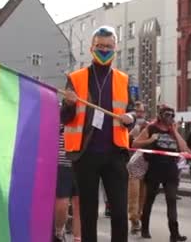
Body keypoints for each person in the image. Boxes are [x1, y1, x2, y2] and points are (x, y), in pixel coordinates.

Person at [60, 26, 135, 242]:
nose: (104, 50)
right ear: (92, 48)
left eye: (109, 47)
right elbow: (64, 117)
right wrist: (68, 104)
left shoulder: (124, 79)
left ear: (116, 49)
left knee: (120, 212)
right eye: (100, 46)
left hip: (115, 154)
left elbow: (132, 111)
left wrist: (131, 118)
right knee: (88, 212)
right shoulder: (76, 78)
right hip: (85, 155)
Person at [133, 105, 190, 241]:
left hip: (170, 170)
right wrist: (151, 140)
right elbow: (135, 143)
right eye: (166, 114)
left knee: (171, 200)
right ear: (160, 115)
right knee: (149, 200)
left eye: (171, 115)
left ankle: (174, 233)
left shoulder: (173, 130)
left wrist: (175, 131)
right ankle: (145, 228)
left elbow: (184, 148)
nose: (169, 117)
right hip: (154, 169)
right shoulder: (151, 128)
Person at [54, 125, 81, 242]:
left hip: (82, 164)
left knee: (80, 206)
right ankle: (58, 232)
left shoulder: (84, 110)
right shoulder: (56, 110)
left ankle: (77, 238)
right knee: (62, 204)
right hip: (61, 165)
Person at [127, 101, 148, 234]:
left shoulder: (147, 125)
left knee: (143, 195)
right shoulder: (127, 123)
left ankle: (138, 218)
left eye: (141, 111)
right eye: (137, 110)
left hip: (145, 164)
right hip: (130, 165)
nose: (139, 113)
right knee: (133, 194)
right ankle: (133, 218)